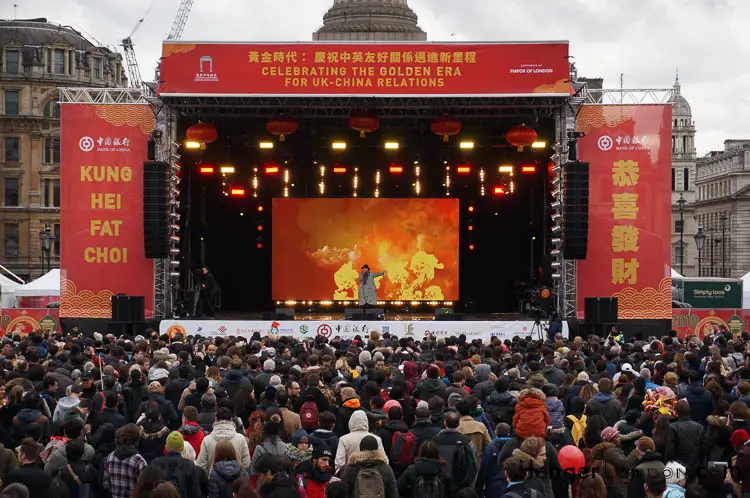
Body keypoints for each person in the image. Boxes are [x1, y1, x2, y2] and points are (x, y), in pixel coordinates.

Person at [151, 432, 203, 498]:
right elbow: (195, 493)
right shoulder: (189, 465)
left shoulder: (156, 463)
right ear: (182, 448)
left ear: (167, 446)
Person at [102, 424, 148, 498]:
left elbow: (106, 484)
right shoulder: (139, 461)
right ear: (137, 440)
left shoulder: (110, 457)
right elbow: (145, 488)